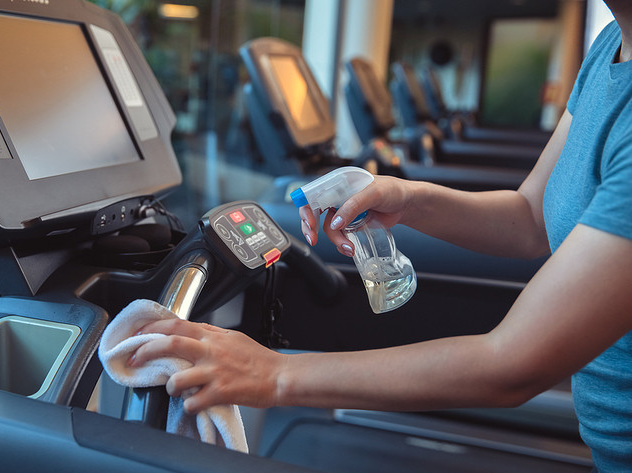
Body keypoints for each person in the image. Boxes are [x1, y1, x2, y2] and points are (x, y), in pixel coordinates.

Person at [128, 2, 632, 470]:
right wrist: (408, 198)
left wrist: (274, 373)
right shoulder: (610, 45)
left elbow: (515, 363)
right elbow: (531, 218)